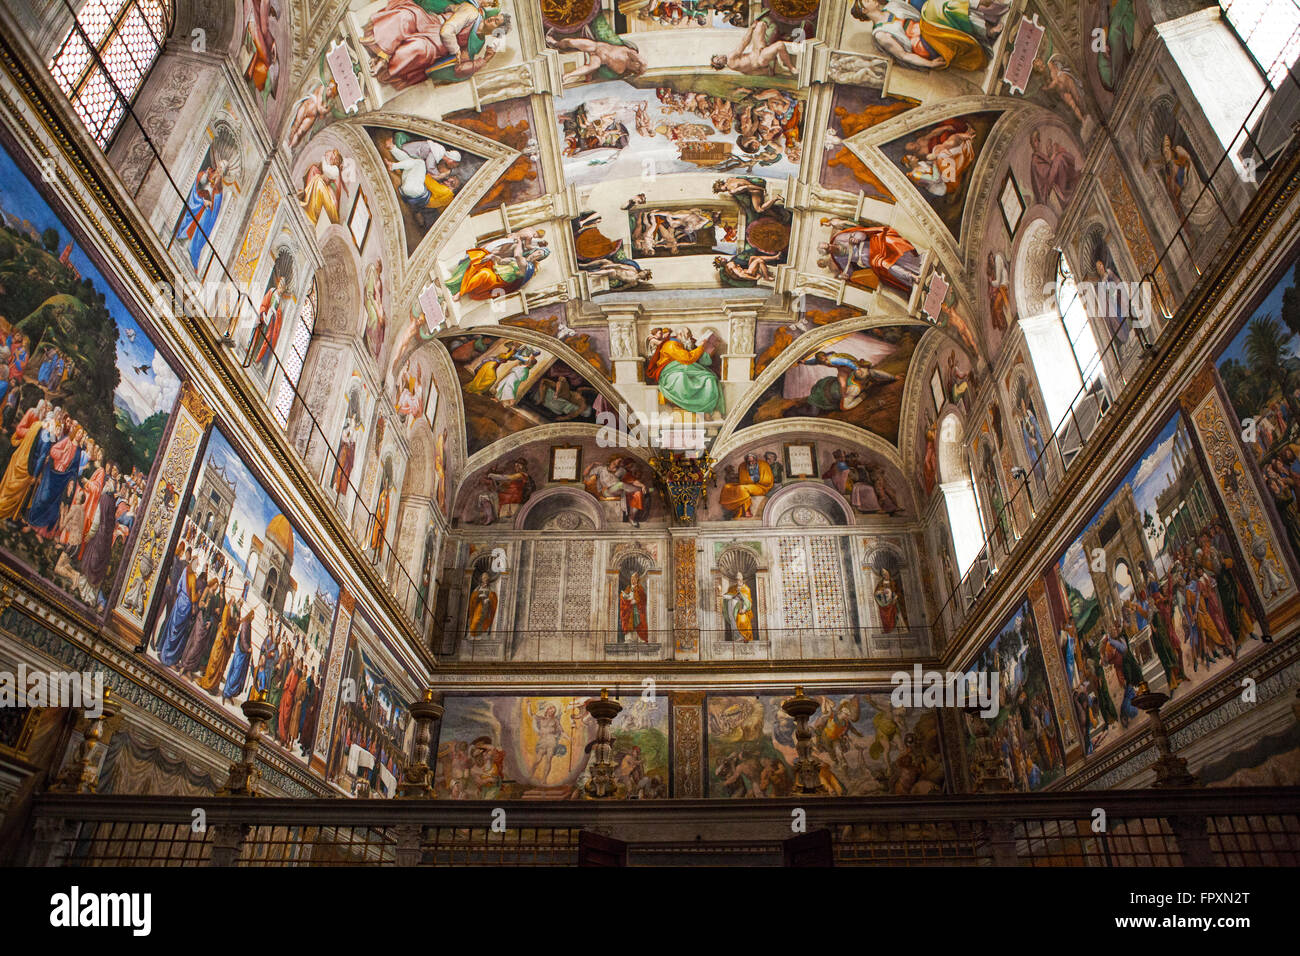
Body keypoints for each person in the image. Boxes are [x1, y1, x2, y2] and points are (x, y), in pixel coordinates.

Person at [645, 328, 724, 415]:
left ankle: (705, 409)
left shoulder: (682, 344)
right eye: (688, 334)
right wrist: (701, 347)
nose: (691, 337)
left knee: (709, 378)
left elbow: (700, 359)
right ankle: (699, 408)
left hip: (684, 369)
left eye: (690, 334)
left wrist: (711, 348)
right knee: (681, 378)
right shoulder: (671, 344)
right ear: (681, 335)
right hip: (669, 373)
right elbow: (687, 358)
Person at [719, 452, 774, 518]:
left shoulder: (763, 465)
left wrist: (753, 481)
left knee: (742, 488)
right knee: (727, 487)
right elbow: (743, 481)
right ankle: (733, 507)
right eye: (748, 462)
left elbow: (767, 481)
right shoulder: (742, 466)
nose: (750, 463)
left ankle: (746, 510)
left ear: (756, 460)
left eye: (752, 461)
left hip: (761, 486)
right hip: (749, 485)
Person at [718, 571, 755, 642]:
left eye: (739, 579)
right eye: (737, 579)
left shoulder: (746, 589)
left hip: (741, 609)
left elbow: (748, 601)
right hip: (731, 608)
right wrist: (722, 595)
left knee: (742, 621)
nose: (738, 581)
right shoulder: (732, 588)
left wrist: (744, 609)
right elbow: (730, 596)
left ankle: (744, 637)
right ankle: (736, 637)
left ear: (742, 579)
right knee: (733, 622)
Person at [619, 571, 648, 642]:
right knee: (629, 622)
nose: (633, 580)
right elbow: (624, 596)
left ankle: (640, 638)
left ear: (637, 579)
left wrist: (637, 600)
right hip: (629, 609)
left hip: (637, 609)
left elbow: (643, 598)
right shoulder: (628, 588)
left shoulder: (640, 588)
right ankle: (629, 638)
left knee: (638, 621)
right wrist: (624, 597)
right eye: (632, 579)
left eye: (634, 579)